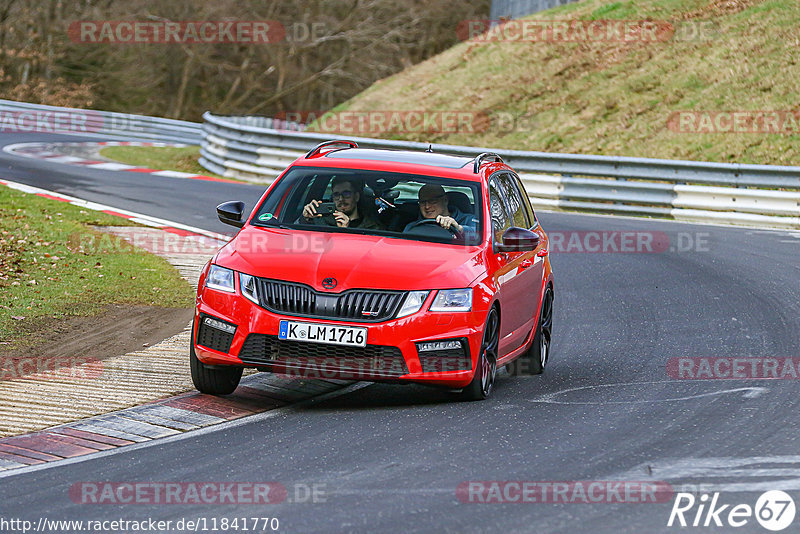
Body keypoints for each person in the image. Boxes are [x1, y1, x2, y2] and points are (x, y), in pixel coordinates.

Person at [301, 177, 381, 229]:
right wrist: (305, 219)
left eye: (346, 194)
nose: (341, 199)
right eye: (336, 194)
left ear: (356, 197)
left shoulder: (371, 228)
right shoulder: (320, 221)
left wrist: (346, 231)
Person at [404, 184, 477, 237]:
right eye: (423, 202)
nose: (427, 206)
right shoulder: (412, 227)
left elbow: (481, 236)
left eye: (432, 201)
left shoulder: (469, 220)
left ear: (445, 200)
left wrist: (459, 228)